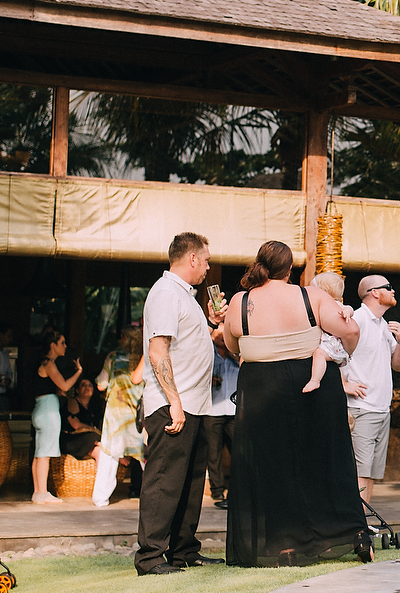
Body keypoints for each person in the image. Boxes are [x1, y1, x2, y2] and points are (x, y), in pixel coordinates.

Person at [223, 240, 372, 566]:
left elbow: (232, 343)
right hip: (311, 383)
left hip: (261, 385)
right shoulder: (310, 295)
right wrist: (343, 354)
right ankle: (351, 535)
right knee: (326, 459)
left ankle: (283, 546)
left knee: (272, 465)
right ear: (290, 269)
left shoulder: (240, 301)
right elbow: (352, 330)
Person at [135, 232, 227, 575]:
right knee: (164, 481)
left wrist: (214, 325)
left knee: (189, 483)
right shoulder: (164, 294)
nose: (207, 267)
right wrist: (173, 401)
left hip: (198, 405)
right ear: (191, 259)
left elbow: (192, 346)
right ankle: (149, 558)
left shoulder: (186, 296)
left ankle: (184, 550)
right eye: (205, 260)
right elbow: (158, 351)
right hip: (173, 404)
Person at [345, 274, 400, 503]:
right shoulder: (356, 320)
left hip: (382, 409)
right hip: (362, 407)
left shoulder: (384, 325)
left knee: (369, 473)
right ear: (375, 293)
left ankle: (363, 523)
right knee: (360, 472)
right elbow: (332, 351)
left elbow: (398, 365)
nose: (393, 291)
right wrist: (343, 384)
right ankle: (358, 529)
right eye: (388, 287)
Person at [92, 323, 145, 508]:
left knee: (109, 455)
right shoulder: (143, 359)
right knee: (145, 456)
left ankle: (101, 498)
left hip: (115, 416)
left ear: (124, 339)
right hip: (137, 416)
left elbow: (101, 383)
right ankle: (153, 496)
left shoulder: (113, 357)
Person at [32, 331, 82, 503]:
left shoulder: (44, 363)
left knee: (39, 452)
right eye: (62, 342)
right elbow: (65, 385)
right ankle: (42, 492)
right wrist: (78, 372)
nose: (65, 346)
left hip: (41, 407)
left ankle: (38, 491)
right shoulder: (49, 363)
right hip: (48, 409)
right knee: (44, 452)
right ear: (53, 345)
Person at [204, 331, 238, 510]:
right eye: (218, 333)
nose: (222, 336)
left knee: (238, 452)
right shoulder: (208, 355)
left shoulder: (237, 355)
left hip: (233, 410)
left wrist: (233, 353)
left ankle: (236, 489)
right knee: (213, 453)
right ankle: (217, 490)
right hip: (213, 409)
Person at [62, 377, 103, 461]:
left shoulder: (94, 407)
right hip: (71, 439)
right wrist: (95, 431)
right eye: (83, 385)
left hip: (87, 441)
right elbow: (76, 425)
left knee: (99, 449)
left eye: (90, 385)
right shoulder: (72, 402)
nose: (87, 388)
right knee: (94, 436)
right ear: (77, 390)